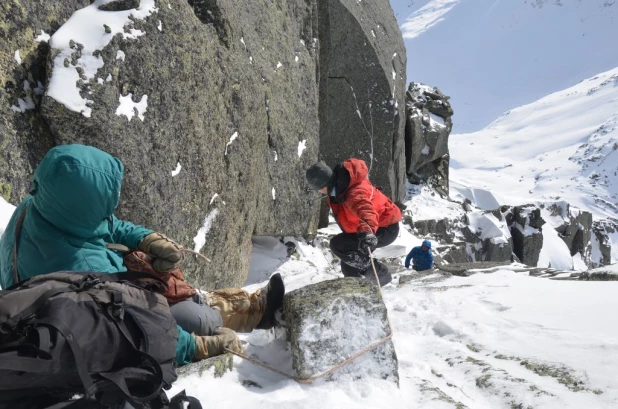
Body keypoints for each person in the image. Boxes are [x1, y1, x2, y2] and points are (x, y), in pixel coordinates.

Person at [0, 144, 284, 366]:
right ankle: (249, 315)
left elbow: (97, 224)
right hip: (87, 328)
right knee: (199, 320)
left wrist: (146, 239)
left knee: (160, 280)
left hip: (72, 306)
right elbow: (136, 327)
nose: (110, 210)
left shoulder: (39, 205)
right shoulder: (82, 269)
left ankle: (245, 308)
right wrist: (197, 348)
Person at [305, 158, 402, 286]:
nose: (318, 192)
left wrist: (367, 232)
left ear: (322, 185)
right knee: (349, 263)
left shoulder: (352, 193)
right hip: (373, 227)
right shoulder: (340, 188)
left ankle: (380, 274)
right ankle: (359, 292)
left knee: (338, 244)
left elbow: (366, 211)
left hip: (384, 228)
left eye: (317, 188)